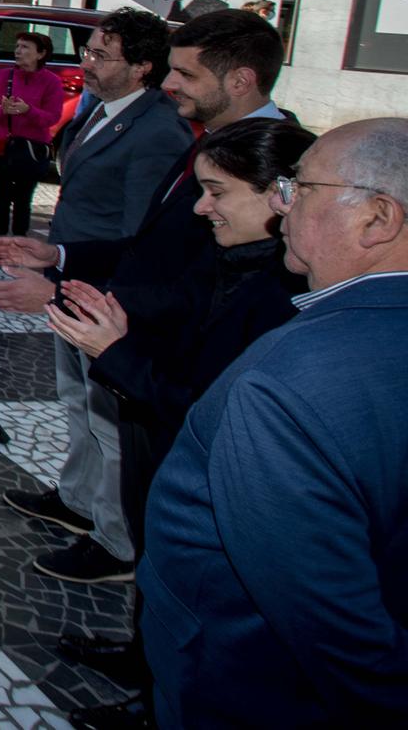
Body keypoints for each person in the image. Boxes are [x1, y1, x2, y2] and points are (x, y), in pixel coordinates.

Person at [0, 9, 283, 587]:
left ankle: (119, 546)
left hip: (145, 324)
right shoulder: (198, 135)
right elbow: (147, 238)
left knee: (123, 436)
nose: (171, 87)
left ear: (241, 80)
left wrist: (66, 286)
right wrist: (59, 257)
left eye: (186, 76)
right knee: (88, 415)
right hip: (100, 294)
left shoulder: (262, 159)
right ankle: (80, 503)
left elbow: (188, 270)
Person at [137, 118, 408, 730]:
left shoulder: (292, 382)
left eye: (301, 189)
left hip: (248, 689)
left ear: (378, 218)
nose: (282, 209)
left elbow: (327, 617)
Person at [45, 118, 313, 728]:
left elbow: (205, 405)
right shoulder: (240, 255)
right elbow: (179, 298)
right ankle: (145, 660)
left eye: (217, 191)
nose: (201, 206)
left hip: (200, 460)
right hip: (162, 438)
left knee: (197, 604)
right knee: (158, 569)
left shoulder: (284, 286)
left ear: (279, 194)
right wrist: (93, 299)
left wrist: (112, 353)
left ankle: (162, 703)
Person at [0, 30, 65, 238]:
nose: (18, 51)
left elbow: (52, 117)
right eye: (17, 46)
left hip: (31, 149)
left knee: (23, 199)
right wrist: (2, 110)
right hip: (0, 147)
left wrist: (29, 111)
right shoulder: (3, 76)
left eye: (25, 47)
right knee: (0, 198)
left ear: (41, 53)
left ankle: (19, 240)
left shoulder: (51, 82)